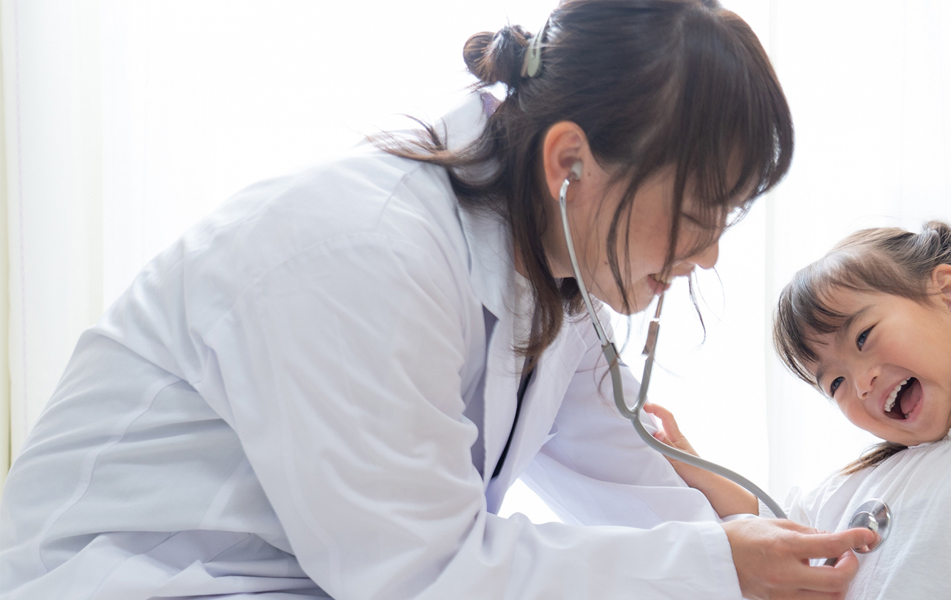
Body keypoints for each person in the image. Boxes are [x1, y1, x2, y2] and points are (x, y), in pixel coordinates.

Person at [0, 1, 876, 598]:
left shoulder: (555, 288)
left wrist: (781, 556)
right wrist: (720, 567)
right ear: (569, 163)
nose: (708, 255)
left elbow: (640, 494)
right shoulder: (360, 252)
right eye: (693, 216)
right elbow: (423, 577)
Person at [647, 221, 951, 599]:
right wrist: (689, 461)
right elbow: (773, 529)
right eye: (835, 382)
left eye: (863, 336)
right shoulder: (852, 490)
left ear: (949, 295)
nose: (862, 383)